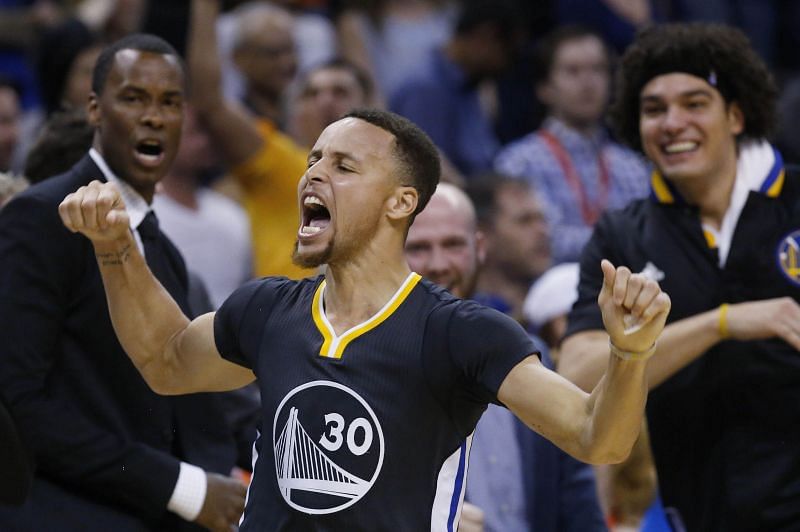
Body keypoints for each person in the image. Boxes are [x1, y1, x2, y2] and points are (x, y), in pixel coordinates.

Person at [59, 105, 670, 530]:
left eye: (344, 167)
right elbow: (165, 362)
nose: (315, 173)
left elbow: (599, 438)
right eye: (315, 158)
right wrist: (116, 248)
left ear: (402, 203)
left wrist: (631, 354)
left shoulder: (459, 331)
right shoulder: (267, 307)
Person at [558, 23, 800, 530]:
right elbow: (577, 378)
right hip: (697, 509)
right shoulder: (623, 236)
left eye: (694, 103)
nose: (672, 123)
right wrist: (720, 324)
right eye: (654, 109)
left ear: (736, 115)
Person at [0, 34, 246, 531]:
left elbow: (188, 402)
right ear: (94, 109)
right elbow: (19, 401)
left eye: (170, 102)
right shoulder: (41, 215)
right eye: (133, 98)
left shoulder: (165, 250)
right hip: (64, 511)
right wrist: (182, 487)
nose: (154, 116)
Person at [405, 183, 605, 532]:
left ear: (479, 248)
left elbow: (576, 497)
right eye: (419, 248)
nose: (438, 264)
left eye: (453, 244)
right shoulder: (370, 362)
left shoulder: (526, 354)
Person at [495, 26, 649, 264]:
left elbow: (650, 238)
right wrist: (622, 241)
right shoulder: (518, 162)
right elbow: (541, 242)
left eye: (598, 70)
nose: (588, 83)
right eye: (573, 71)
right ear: (544, 88)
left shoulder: (632, 165)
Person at [390, 0, 524, 177]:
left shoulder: (470, 81)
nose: (506, 64)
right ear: (485, 36)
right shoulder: (425, 88)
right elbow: (428, 174)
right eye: (508, 52)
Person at [466, 176, 551, 323]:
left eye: (542, 219)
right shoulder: (465, 318)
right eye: (525, 221)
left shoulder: (557, 309)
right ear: (482, 234)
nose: (543, 231)